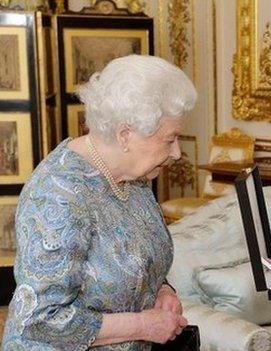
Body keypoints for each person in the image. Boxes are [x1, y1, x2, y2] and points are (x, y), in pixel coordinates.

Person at [2, 55, 197, 350]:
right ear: (125, 135)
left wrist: (163, 290)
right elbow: (39, 320)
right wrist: (144, 325)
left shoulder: (133, 176)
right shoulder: (58, 195)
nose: (177, 153)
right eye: (169, 140)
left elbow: (136, 257)